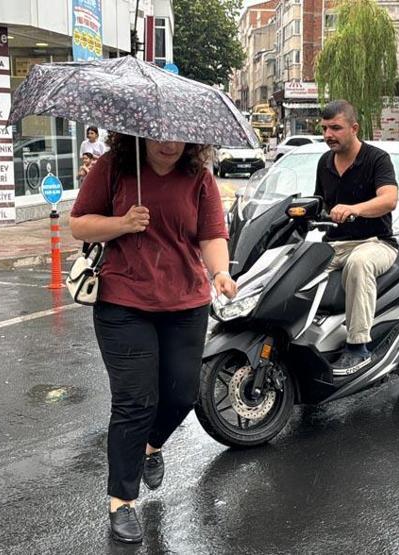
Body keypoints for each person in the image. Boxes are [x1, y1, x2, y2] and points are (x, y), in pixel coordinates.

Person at [70, 133, 238, 543]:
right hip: (123, 301)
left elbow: (212, 235)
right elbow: (79, 223)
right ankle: (121, 501)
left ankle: (152, 447)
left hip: (186, 302)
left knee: (181, 395)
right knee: (134, 402)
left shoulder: (199, 176)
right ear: (141, 134)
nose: (168, 145)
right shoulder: (114, 167)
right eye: (159, 138)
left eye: (179, 139)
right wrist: (122, 223)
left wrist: (220, 272)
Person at [313, 100, 399, 375]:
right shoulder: (324, 162)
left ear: (354, 128)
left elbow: (389, 200)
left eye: (336, 128)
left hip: (376, 242)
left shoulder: (376, 159)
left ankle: (358, 346)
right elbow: (319, 203)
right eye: (325, 128)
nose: (328, 135)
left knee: (359, 263)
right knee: (298, 267)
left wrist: (355, 209)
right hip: (335, 244)